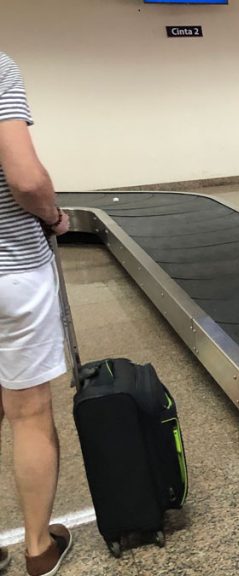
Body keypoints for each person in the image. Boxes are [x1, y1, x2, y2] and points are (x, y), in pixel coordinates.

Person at [0, 51, 74, 575]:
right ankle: (37, 549)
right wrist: (54, 215)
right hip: (10, 270)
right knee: (27, 413)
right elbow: (25, 179)